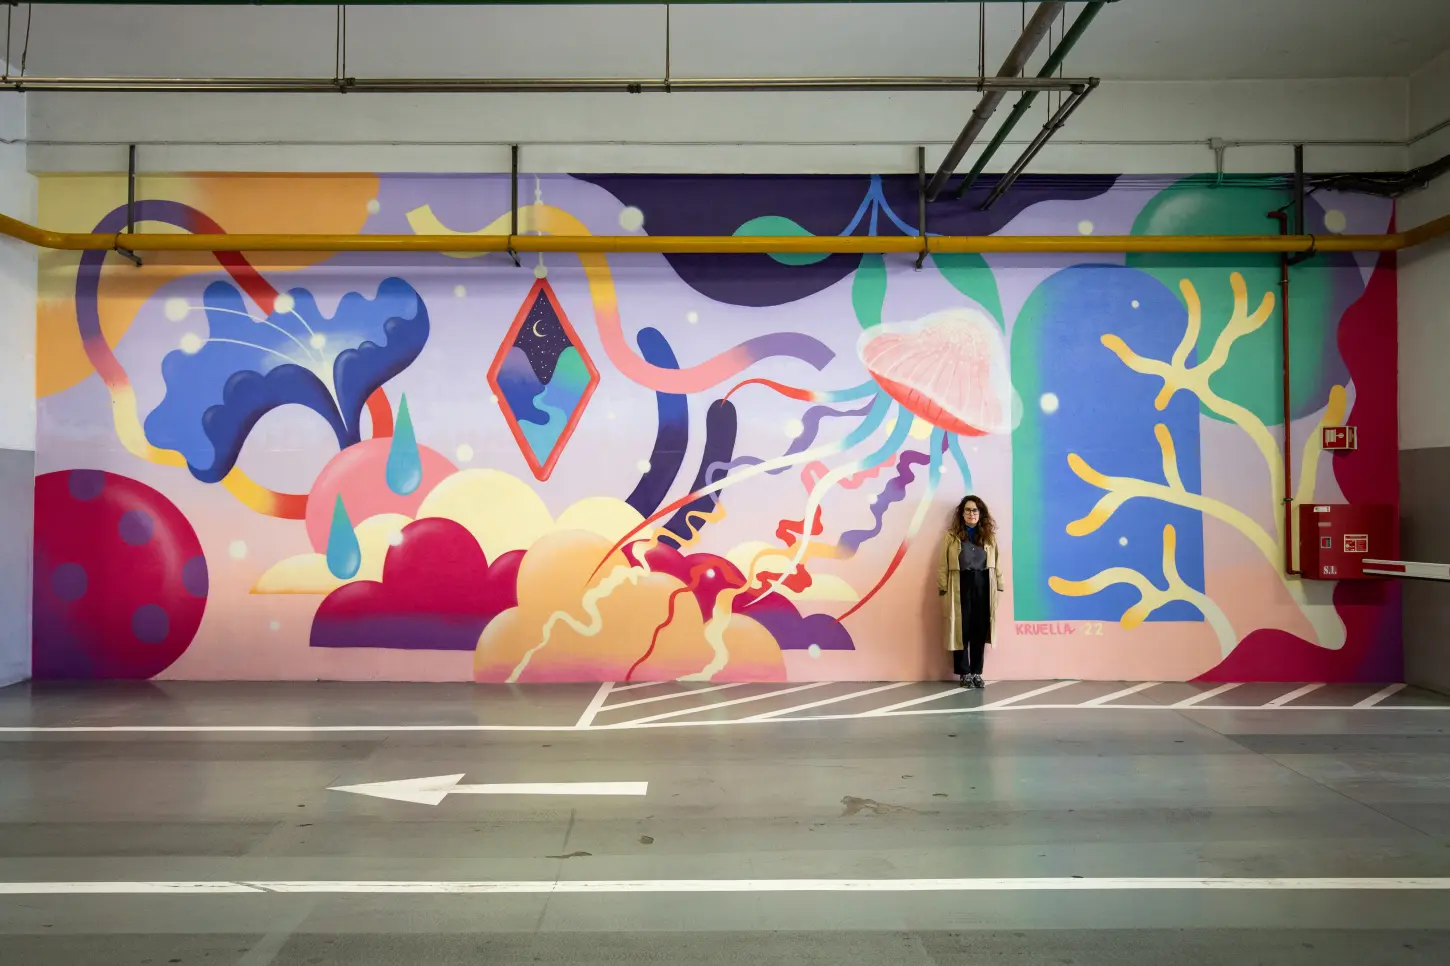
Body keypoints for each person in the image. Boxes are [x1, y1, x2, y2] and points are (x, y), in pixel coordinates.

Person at [937, 495, 1003, 688]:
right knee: (960, 629)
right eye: (968, 510)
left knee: (979, 630)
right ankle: (964, 673)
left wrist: (999, 585)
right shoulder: (952, 536)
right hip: (960, 583)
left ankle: (976, 672)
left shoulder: (989, 536)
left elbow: (997, 563)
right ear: (962, 513)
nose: (971, 513)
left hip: (983, 583)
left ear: (980, 513)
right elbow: (942, 564)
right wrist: (942, 587)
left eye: (975, 510)